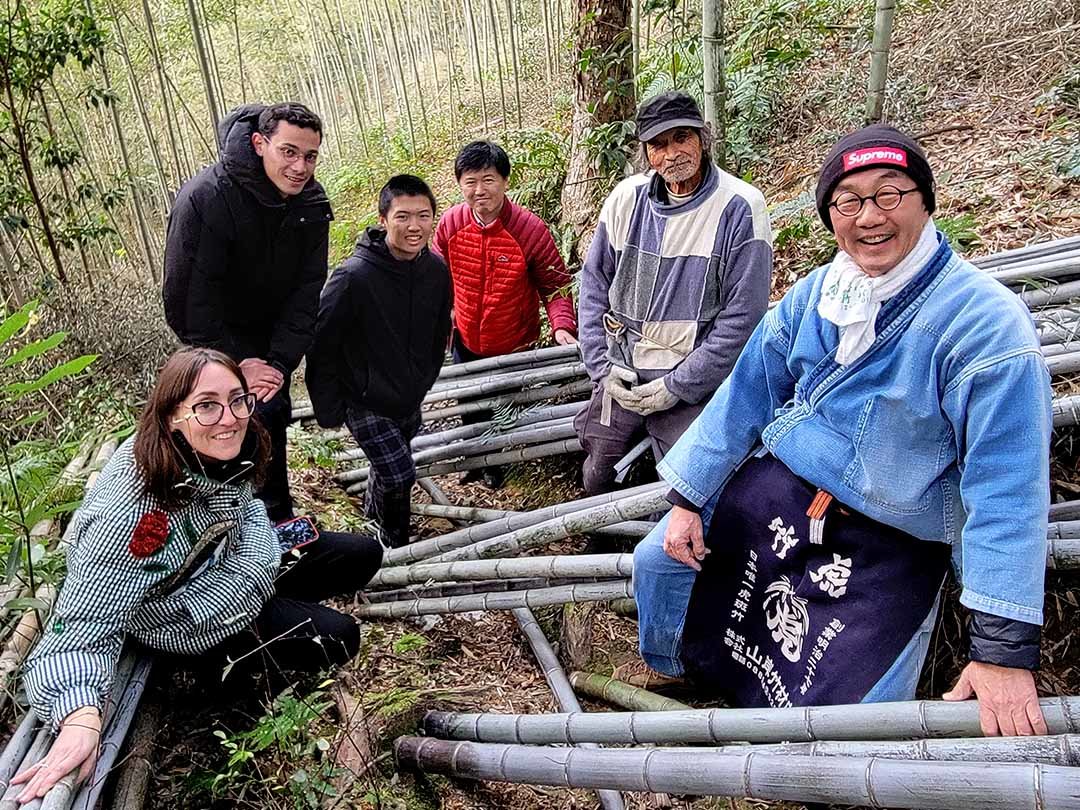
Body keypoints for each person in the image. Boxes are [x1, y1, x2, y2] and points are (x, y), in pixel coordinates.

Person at [628, 124, 1052, 738]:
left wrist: (1002, 649)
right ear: (830, 216)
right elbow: (747, 392)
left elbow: (1006, 489)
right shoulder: (821, 292)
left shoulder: (986, 327)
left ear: (926, 201)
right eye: (847, 202)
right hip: (787, 486)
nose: (869, 218)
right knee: (659, 564)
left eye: (889, 194)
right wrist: (689, 497)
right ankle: (687, 674)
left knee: (858, 719)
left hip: (893, 531)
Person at [13, 348, 382, 803]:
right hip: (189, 616)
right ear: (172, 416)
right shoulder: (134, 513)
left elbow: (249, 514)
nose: (228, 417)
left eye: (237, 400)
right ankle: (210, 680)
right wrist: (81, 718)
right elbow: (79, 626)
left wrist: (257, 556)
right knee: (340, 637)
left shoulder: (222, 449)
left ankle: (275, 610)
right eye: (206, 405)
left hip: (237, 562)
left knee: (361, 553)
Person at [576, 91, 773, 495]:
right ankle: (598, 540)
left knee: (688, 489)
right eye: (658, 145)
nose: (671, 154)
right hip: (623, 371)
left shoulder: (739, 207)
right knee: (597, 471)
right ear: (645, 152)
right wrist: (601, 367)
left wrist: (677, 385)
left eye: (682, 137)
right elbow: (594, 284)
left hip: (694, 380)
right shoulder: (625, 200)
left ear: (704, 137)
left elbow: (741, 321)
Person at [163, 102, 333, 522]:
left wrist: (277, 362)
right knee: (232, 419)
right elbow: (187, 302)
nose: (300, 167)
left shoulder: (311, 203)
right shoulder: (207, 198)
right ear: (260, 144)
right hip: (214, 344)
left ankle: (275, 523)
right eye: (288, 152)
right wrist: (238, 365)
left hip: (270, 341)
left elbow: (306, 292)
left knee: (271, 412)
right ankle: (221, 524)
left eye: (310, 156)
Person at [306, 175, 452, 547]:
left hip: (408, 395)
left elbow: (440, 329)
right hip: (364, 399)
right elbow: (322, 344)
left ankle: (372, 519)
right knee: (400, 475)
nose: (414, 226)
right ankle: (393, 544)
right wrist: (329, 408)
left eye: (423, 215)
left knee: (385, 468)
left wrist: (425, 377)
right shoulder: (353, 277)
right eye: (403, 216)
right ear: (383, 219)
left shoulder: (435, 270)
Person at [433, 140, 577, 487]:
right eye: (470, 182)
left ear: (505, 181)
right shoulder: (451, 224)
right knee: (468, 401)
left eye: (488, 180)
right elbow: (434, 277)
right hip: (465, 335)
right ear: (459, 184)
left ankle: (498, 464)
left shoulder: (529, 230)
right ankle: (472, 460)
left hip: (512, 341)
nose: (479, 190)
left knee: (504, 406)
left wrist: (561, 326)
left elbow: (555, 286)